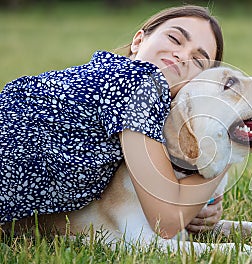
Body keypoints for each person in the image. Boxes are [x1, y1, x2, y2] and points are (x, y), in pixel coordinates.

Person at [0, 5, 225, 239]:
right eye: (174, 38)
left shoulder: (114, 91)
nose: (182, 56)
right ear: (138, 40)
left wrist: (199, 204)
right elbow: (165, 220)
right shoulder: (138, 83)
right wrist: (227, 148)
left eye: (199, 60)